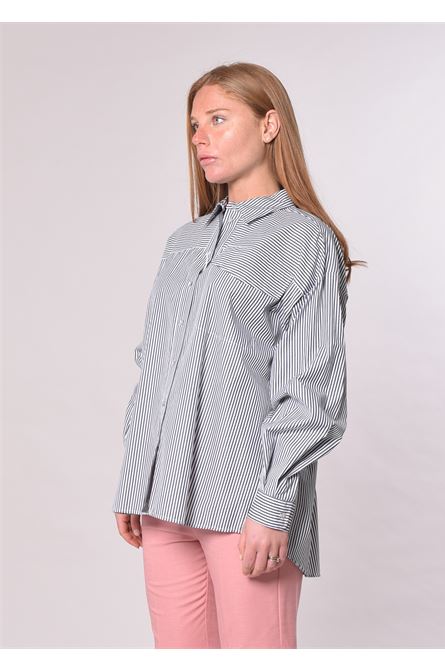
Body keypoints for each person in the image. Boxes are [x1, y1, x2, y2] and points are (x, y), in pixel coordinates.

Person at [112, 61, 366, 649]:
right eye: (194, 125)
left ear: (269, 124)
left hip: (246, 506)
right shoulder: (184, 242)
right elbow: (154, 366)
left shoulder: (304, 240)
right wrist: (134, 478)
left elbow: (312, 387)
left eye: (218, 120)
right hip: (163, 504)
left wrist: (274, 504)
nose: (199, 138)